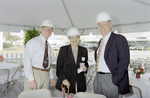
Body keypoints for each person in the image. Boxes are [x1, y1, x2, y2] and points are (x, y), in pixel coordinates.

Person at [93, 11, 130, 98]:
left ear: (110, 25)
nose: (102, 27)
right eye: (99, 25)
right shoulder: (100, 41)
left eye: (104, 24)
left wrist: (114, 80)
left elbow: (124, 62)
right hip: (98, 78)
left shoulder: (119, 39)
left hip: (110, 79)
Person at [23, 20, 55, 91]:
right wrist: (31, 79)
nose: (48, 31)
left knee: (44, 95)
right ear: (41, 29)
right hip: (35, 73)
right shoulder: (33, 42)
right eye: (45, 28)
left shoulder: (49, 46)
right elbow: (27, 61)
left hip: (46, 75)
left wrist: (51, 77)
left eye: (50, 29)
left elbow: (49, 63)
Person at [56, 27, 89, 94]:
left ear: (79, 38)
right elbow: (59, 68)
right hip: (67, 82)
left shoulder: (84, 50)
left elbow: (86, 64)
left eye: (76, 37)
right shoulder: (63, 50)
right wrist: (63, 79)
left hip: (80, 82)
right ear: (69, 39)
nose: (74, 40)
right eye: (72, 38)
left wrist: (85, 68)